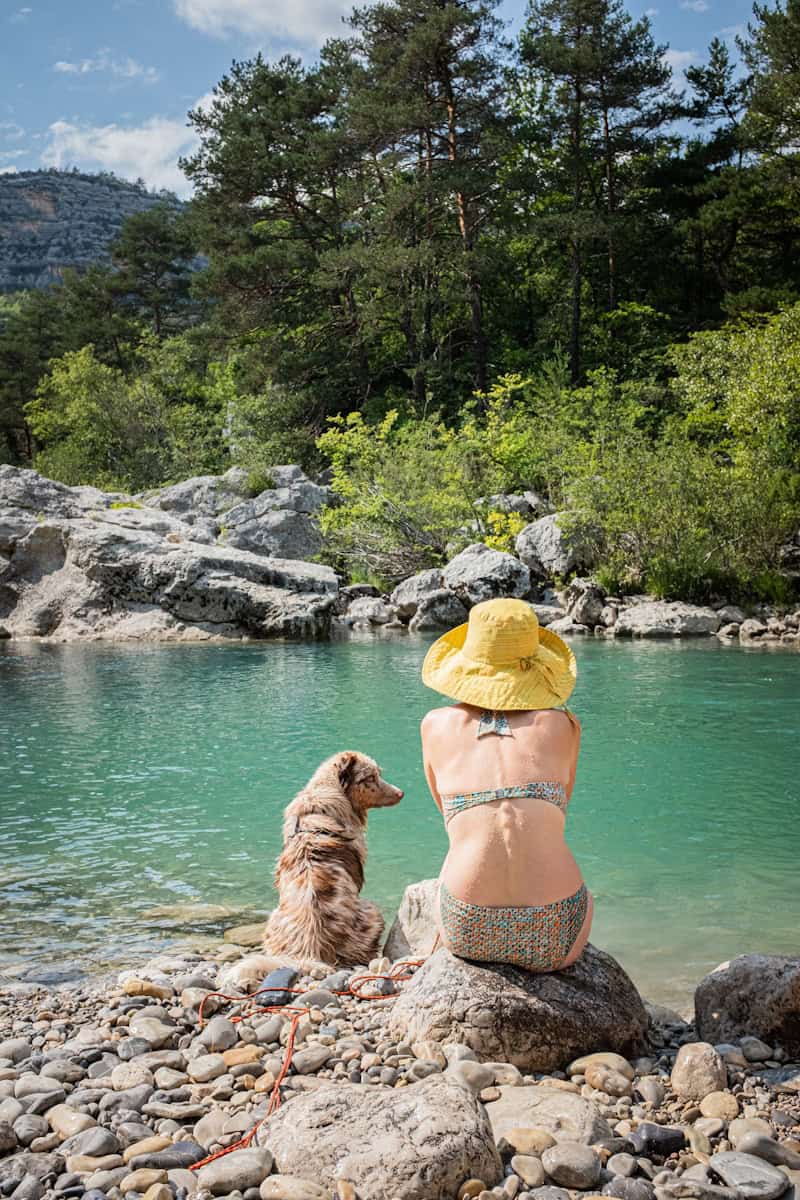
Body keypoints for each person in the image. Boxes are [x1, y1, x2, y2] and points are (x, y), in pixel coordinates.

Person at [420, 596, 592, 972]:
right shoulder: (562, 725)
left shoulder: (434, 724)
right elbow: (560, 811)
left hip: (467, 926)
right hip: (557, 930)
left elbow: (448, 817)